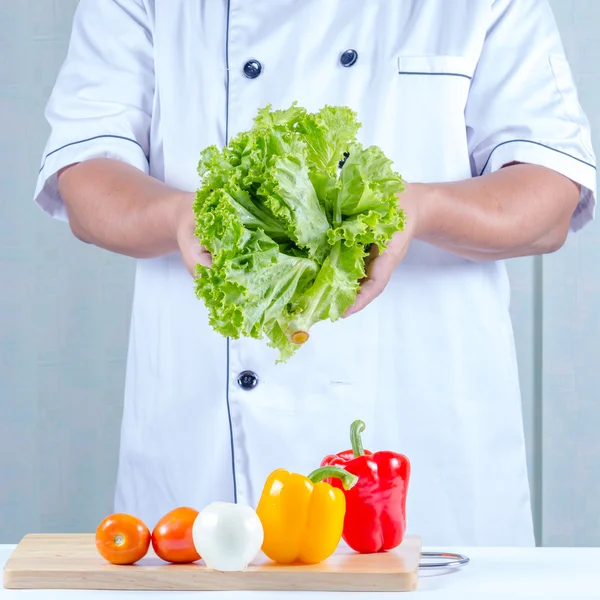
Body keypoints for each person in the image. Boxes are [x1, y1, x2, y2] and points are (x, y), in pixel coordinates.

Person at [34, 0, 596, 547]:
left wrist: (415, 209)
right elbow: (86, 173)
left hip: (426, 448)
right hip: (206, 468)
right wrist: (182, 216)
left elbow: (549, 194)